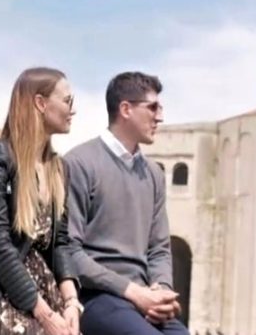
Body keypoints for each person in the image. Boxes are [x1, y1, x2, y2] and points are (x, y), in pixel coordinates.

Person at [0, 67, 81, 335]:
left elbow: (60, 243)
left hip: (45, 294)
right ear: (41, 103)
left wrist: (71, 302)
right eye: (68, 101)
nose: (74, 110)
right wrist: (44, 313)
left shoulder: (59, 169)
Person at [64, 72, 187, 335]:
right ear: (126, 109)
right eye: (153, 107)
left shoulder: (154, 174)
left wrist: (162, 290)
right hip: (96, 297)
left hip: (143, 300)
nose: (160, 117)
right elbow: (68, 251)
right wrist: (132, 291)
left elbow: (159, 249)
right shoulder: (79, 163)